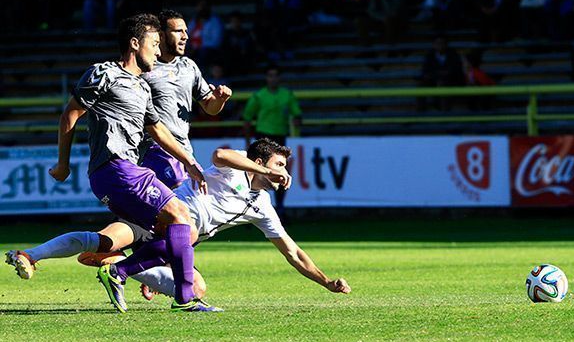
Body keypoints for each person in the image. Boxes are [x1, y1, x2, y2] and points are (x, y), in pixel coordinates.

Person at [6, 139, 352, 308]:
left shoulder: (262, 206)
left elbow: (293, 252)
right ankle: (31, 254)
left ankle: (119, 268)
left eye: (283, 166)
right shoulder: (235, 169)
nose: (282, 171)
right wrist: (262, 170)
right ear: (260, 162)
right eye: (278, 163)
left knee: (197, 289)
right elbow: (220, 154)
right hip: (158, 215)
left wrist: (326, 282)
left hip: (178, 242)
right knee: (102, 238)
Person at [28, 13, 207, 313]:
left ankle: (121, 269)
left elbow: (158, 130)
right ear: (135, 44)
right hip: (117, 169)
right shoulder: (103, 74)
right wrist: (63, 164)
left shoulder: (143, 87)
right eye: (154, 42)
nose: (158, 49)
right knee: (180, 215)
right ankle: (183, 299)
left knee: (169, 230)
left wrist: (188, 160)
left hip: (121, 175)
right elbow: (70, 115)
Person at [140, 9, 232, 190]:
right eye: (178, 31)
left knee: (188, 208)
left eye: (186, 32)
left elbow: (210, 107)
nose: (185, 37)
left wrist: (220, 100)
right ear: (161, 35)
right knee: (182, 204)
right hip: (154, 149)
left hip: (183, 150)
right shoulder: (144, 67)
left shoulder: (189, 66)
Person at [243, 65, 301, 218]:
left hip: (280, 138)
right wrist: (248, 140)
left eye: (275, 76)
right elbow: (247, 118)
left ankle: (280, 208)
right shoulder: (259, 96)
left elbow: (297, 114)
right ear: (266, 78)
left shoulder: (287, 95)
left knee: (280, 172)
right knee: (257, 173)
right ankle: (250, 206)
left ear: (279, 78)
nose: (273, 79)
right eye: (270, 75)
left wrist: (296, 124)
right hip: (263, 137)